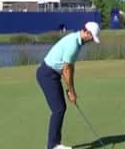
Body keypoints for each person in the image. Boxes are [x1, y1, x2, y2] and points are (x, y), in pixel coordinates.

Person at [36, 21, 101, 149]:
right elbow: (66, 70)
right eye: (92, 37)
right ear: (87, 33)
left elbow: (70, 67)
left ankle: (55, 144)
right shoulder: (73, 43)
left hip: (52, 74)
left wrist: (71, 90)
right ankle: (53, 146)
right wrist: (71, 91)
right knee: (58, 109)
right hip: (47, 74)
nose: (92, 40)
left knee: (60, 108)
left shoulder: (77, 42)